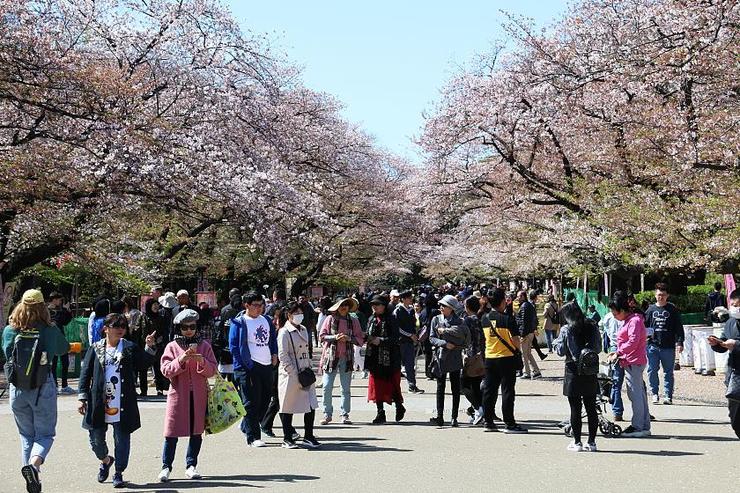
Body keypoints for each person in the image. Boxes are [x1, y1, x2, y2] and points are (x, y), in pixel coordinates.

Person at [78, 313, 156, 488]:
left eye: (123, 326)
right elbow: (85, 374)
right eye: (116, 325)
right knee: (96, 439)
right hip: (99, 402)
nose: (121, 329)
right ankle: (105, 460)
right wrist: (82, 396)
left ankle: (118, 472)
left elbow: (143, 364)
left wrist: (149, 347)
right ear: (105, 328)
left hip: (123, 402)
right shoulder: (96, 348)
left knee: (122, 439)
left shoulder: (129, 347)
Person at [3, 289, 70, 493]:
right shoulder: (49, 329)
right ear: (43, 306)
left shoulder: (9, 330)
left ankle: (32, 481)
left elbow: (6, 355)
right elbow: (63, 349)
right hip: (42, 386)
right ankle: (33, 466)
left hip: (17, 389)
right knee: (45, 434)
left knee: (26, 435)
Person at [158, 309, 218, 482]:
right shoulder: (172, 346)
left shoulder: (205, 345)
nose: (189, 330)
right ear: (179, 328)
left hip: (199, 395)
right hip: (178, 395)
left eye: (192, 326)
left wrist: (202, 362)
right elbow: (165, 370)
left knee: (196, 431)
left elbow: (213, 369)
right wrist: (181, 359)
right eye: (185, 327)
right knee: (171, 433)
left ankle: (191, 465)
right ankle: (166, 467)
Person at [229, 292, 278, 448]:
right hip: (248, 366)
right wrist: (244, 365)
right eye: (255, 305)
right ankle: (253, 437)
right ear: (247, 305)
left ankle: (246, 425)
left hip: (266, 364)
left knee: (266, 399)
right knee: (251, 402)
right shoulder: (239, 322)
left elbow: (272, 339)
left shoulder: (267, 320)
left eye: (261, 305)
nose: (259, 308)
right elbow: (234, 347)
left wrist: (274, 353)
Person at [553, 302, 601, 452]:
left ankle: (577, 442)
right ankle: (592, 442)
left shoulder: (566, 329)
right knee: (591, 407)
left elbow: (560, 351)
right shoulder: (592, 325)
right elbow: (598, 348)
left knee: (575, 408)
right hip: (590, 369)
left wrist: (555, 343)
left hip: (573, 370)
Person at [480, 289, 527, 433]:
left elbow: (483, 340)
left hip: (490, 357)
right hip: (506, 358)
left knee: (489, 391)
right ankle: (509, 423)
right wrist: (517, 350)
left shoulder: (484, 318)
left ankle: (488, 421)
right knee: (507, 391)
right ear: (502, 302)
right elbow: (515, 340)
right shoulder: (508, 319)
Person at [277, 302, 321, 448]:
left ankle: (308, 435)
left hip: (305, 372)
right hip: (291, 374)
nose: (299, 316)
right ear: (288, 315)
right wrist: (292, 371)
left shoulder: (303, 329)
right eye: (296, 313)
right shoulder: (284, 332)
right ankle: (287, 437)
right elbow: (283, 355)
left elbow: (307, 350)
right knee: (288, 405)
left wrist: (309, 366)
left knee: (311, 404)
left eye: (300, 313)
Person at [608, 291, 651, 438]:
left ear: (622, 310)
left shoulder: (634, 321)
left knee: (635, 394)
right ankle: (643, 425)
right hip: (631, 360)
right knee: (639, 394)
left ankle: (638, 425)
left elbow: (633, 341)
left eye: (615, 314)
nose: (615, 317)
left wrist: (618, 352)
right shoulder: (631, 320)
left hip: (633, 361)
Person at [318, 297, 365, 425]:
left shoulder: (354, 320)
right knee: (327, 386)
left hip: (347, 357)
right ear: (337, 306)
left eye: (346, 305)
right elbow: (322, 336)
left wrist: (348, 338)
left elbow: (360, 339)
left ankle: (345, 414)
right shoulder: (330, 319)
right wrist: (335, 337)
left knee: (345, 388)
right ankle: (327, 413)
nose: (344, 307)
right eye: (341, 305)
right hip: (331, 356)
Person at [429, 295, 470, 427]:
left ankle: (454, 417)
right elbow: (431, 338)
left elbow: (465, 338)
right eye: (440, 305)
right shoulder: (436, 319)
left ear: (451, 308)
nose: (441, 307)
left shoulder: (459, 321)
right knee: (440, 387)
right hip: (441, 355)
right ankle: (440, 416)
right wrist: (444, 343)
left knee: (455, 387)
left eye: (444, 305)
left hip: (455, 356)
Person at [366, 295, 405, 424]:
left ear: (384, 306)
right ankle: (380, 412)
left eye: (377, 304)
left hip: (390, 357)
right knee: (377, 385)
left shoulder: (391, 319)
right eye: (373, 304)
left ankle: (399, 406)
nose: (374, 307)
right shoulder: (371, 319)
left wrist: (380, 341)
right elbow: (368, 334)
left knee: (392, 384)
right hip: (374, 357)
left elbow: (395, 338)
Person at [644, 283, 684, 405]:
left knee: (668, 372)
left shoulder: (672, 309)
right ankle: (654, 393)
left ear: (667, 296)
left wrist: (680, 342)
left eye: (663, 295)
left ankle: (668, 395)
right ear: (655, 295)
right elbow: (644, 326)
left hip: (668, 346)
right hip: (652, 345)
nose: (661, 297)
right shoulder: (650, 310)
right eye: (659, 295)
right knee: (652, 370)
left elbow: (678, 327)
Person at [708, 288, 740, 438]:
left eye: (738, 305)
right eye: (733, 305)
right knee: (735, 418)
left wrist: (737, 345)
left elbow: (734, 344)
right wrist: (716, 343)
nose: (735, 308)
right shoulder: (730, 322)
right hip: (734, 375)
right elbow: (724, 342)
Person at [461, 296, 485, 425]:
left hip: (470, 355)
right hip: (482, 355)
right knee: (476, 384)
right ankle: (478, 410)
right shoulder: (481, 318)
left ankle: (478, 408)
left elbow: (465, 338)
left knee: (464, 384)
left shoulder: (467, 321)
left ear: (467, 307)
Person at [394, 290, 423, 394]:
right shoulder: (398, 310)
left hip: (410, 342)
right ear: (403, 299)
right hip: (400, 342)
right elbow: (397, 328)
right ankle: (394, 388)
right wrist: (409, 335)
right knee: (397, 366)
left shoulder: (411, 310)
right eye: (409, 298)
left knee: (410, 365)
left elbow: (414, 324)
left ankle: (412, 385)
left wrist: (416, 335)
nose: (411, 300)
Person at [48, 291, 74, 394]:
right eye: (59, 299)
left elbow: (65, 322)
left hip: (61, 338)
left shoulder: (61, 310)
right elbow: (56, 320)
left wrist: (67, 310)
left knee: (65, 362)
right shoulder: (47, 311)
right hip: (51, 339)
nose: (60, 302)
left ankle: (64, 385)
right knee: (53, 363)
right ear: (54, 299)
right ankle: (54, 384)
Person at [141, 298, 169, 395]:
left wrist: (158, 340)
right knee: (143, 368)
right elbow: (141, 331)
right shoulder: (143, 317)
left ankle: (159, 388)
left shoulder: (160, 317)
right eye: (154, 304)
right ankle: (143, 390)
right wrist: (147, 339)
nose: (156, 306)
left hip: (158, 345)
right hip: (145, 346)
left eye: (157, 304)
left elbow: (164, 331)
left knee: (158, 367)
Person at [215, 289, 242, 384]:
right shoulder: (243, 310)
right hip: (238, 345)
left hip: (226, 344)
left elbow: (221, 329)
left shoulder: (224, 309)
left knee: (224, 373)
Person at [601, 309, 624, 421]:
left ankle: (617, 411)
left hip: (614, 347)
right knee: (635, 383)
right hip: (620, 348)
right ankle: (617, 411)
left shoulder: (608, 317)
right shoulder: (625, 317)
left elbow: (603, 327)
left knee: (615, 382)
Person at [516, 290, 541, 379]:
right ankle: (536, 371)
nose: (517, 298)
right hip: (530, 332)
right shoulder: (529, 305)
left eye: (519, 296)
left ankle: (527, 373)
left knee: (524, 354)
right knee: (528, 353)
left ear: (523, 296)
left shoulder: (524, 306)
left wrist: (522, 335)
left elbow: (523, 322)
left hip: (526, 333)